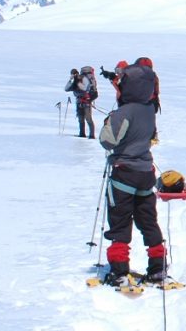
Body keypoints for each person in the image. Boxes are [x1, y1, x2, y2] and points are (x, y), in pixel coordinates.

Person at [98, 59, 167, 285]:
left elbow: (107, 142)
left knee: (120, 223)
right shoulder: (150, 110)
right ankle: (158, 269)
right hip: (145, 173)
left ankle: (119, 272)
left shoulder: (124, 112)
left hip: (124, 173)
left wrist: (110, 121)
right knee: (148, 221)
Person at [64, 66, 98, 138]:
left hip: (86, 101)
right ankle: (82, 134)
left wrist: (77, 82)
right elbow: (66, 88)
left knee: (88, 118)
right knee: (81, 118)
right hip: (79, 101)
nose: (74, 75)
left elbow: (85, 88)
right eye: (73, 74)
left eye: (74, 74)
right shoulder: (76, 81)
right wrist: (71, 80)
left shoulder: (83, 78)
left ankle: (91, 135)